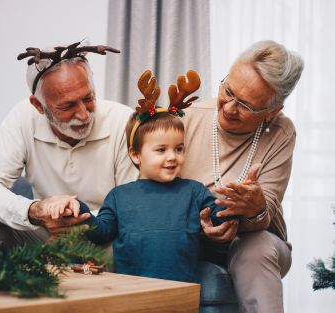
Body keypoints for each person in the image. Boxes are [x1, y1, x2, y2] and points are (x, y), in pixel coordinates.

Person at [0, 41, 138, 256]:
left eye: (88, 98)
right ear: (38, 106)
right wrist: (34, 211)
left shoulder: (125, 121)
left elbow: (132, 204)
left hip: (105, 236)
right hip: (46, 233)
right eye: (68, 105)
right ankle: (9, 288)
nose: (84, 114)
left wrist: (76, 219)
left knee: (138, 242)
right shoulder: (22, 117)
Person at [78, 70, 236, 282]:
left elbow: (219, 216)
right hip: (132, 292)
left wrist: (231, 208)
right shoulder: (119, 196)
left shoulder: (194, 191)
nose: (172, 157)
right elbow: (101, 233)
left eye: (179, 149)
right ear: (135, 154)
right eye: (161, 150)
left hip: (182, 292)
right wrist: (80, 210)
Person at [180, 40, 304, 313]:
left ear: (272, 112)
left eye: (245, 105)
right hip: (190, 232)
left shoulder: (281, 131)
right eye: (228, 90)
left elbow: (268, 208)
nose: (228, 108)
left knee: (256, 248)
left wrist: (253, 209)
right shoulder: (188, 118)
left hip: (255, 237)